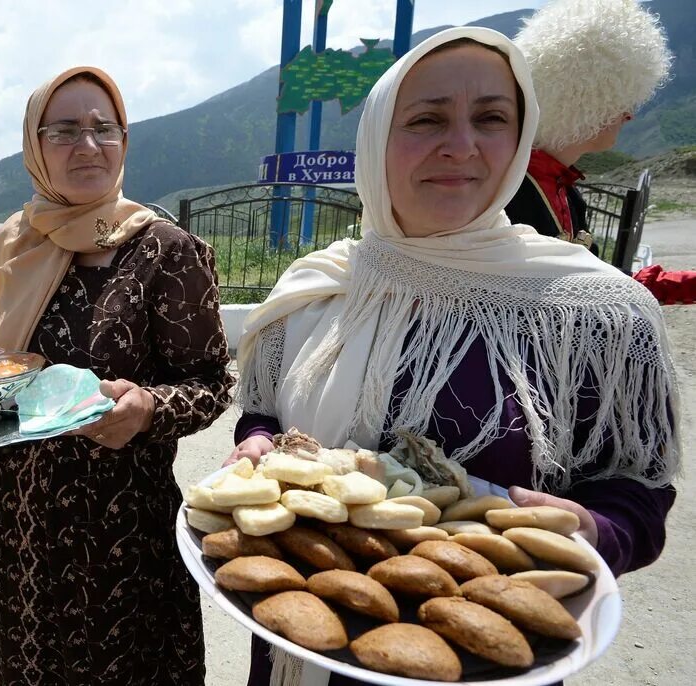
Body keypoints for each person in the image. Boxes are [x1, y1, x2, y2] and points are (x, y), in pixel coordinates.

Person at [230, 27, 679, 686]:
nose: (462, 145)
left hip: (476, 661)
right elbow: (264, 413)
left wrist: (591, 530)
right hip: (301, 634)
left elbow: (636, 498)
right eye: (427, 118)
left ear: (519, 138)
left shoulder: (595, 313)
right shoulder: (316, 288)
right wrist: (258, 445)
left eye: (491, 118)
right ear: (375, 138)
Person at [0, 66, 234, 685]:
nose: (87, 145)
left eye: (104, 128)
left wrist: (149, 410)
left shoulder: (162, 249)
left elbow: (213, 382)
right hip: (18, 535)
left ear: (124, 141)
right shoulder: (13, 247)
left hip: (122, 541)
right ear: (35, 146)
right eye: (64, 130)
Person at [506, 0, 696, 304]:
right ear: (585, 100)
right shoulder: (509, 195)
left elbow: (605, 284)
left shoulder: (565, 194)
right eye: (620, 101)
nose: (629, 115)